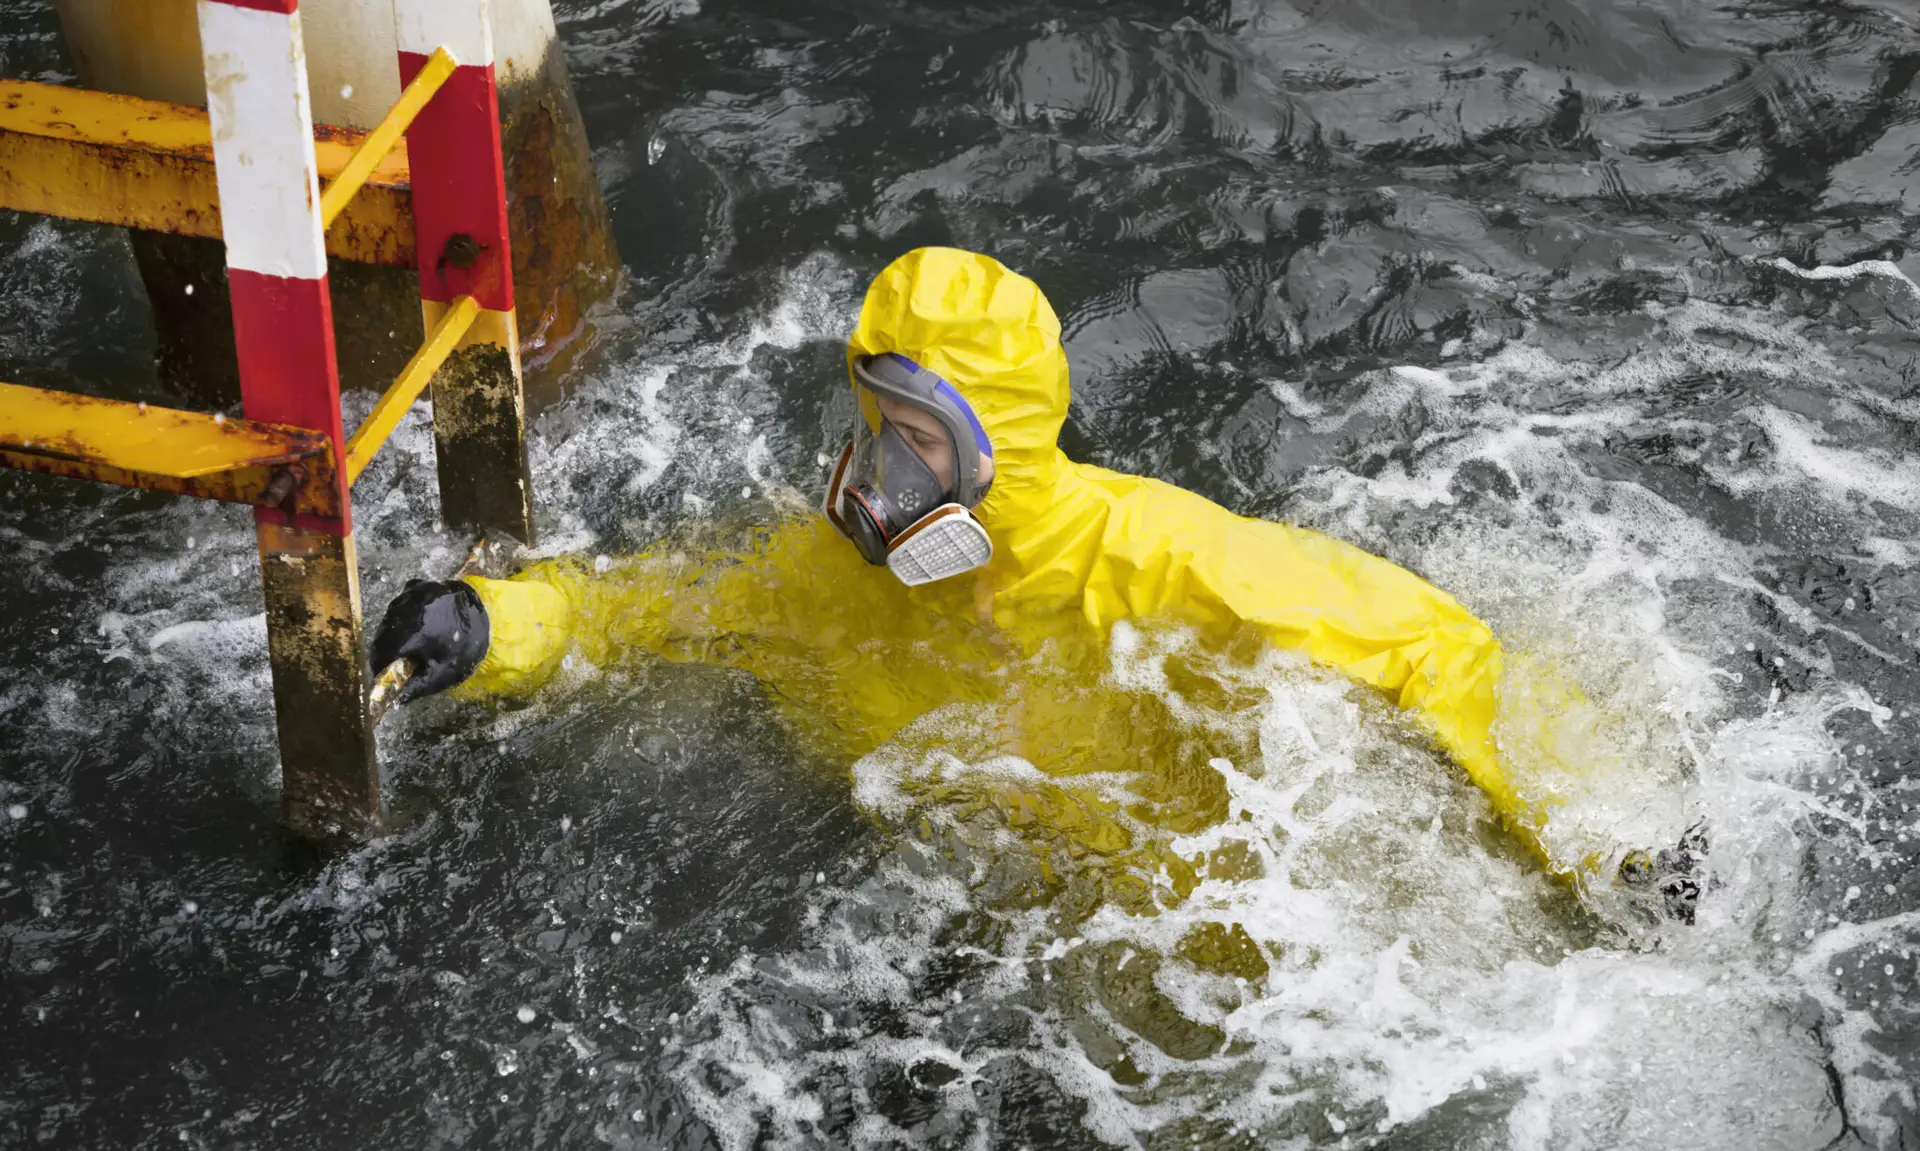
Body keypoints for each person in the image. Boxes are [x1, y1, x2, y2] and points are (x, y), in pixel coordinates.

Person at [373, 246, 1701, 914]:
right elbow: (647, 606)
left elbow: (1429, 646)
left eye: (920, 440)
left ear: (997, 442)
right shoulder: (827, 581)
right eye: (874, 425)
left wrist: (1596, 843)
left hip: (1216, 933)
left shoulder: (1162, 561)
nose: (881, 473)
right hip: (999, 922)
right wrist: (494, 622)